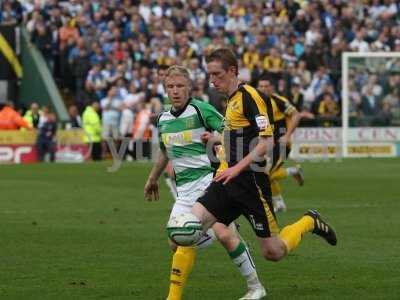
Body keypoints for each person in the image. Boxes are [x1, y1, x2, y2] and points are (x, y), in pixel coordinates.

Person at [189, 48, 336, 273]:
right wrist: (216, 138)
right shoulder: (230, 101)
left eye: (217, 74)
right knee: (187, 231)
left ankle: (309, 221)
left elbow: (265, 142)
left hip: (251, 184)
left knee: (273, 252)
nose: (212, 81)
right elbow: (237, 135)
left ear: (232, 71)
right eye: (209, 75)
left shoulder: (250, 96)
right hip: (226, 181)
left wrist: (236, 168)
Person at [144, 65, 266, 300]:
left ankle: (255, 287)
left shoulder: (201, 110)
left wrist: (218, 142)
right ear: (165, 90)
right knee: (175, 240)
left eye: (180, 86)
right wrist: (152, 179)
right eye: (171, 86)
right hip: (184, 191)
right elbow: (164, 152)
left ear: (189, 87)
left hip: (209, 182)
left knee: (224, 235)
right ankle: (208, 228)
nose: (176, 91)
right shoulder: (163, 120)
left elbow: (230, 133)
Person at [257, 77, 305, 212]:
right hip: (267, 144)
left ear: (271, 88)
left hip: (282, 144)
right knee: (266, 173)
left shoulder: (278, 101)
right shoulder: (256, 102)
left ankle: (279, 202)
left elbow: (296, 115)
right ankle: (280, 203)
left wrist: (287, 135)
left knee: (267, 174)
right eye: (261, 86)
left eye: (266, 86)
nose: (264, 89)